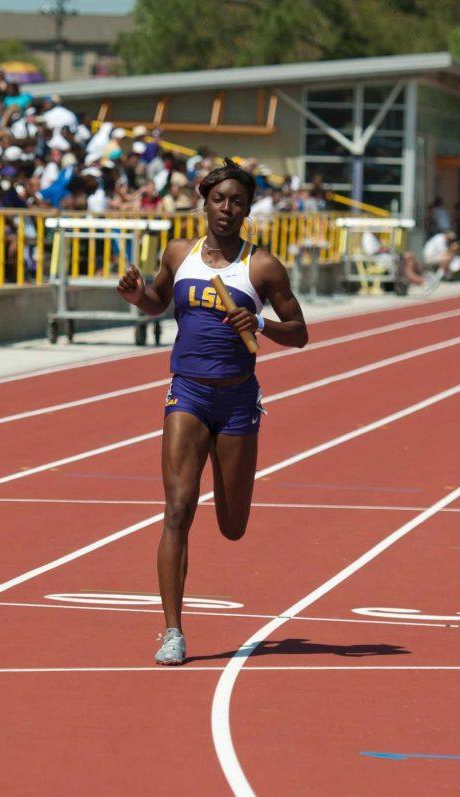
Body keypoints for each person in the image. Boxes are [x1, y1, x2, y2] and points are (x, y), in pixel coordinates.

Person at [115, 159, 309, 665]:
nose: (227, 208)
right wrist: (138, 295)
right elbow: (158, 300)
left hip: (239, 399)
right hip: (189, 393)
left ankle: (230, 496)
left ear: (248, 209)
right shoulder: (180, 253)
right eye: (219, 199)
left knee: (232, 523)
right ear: (204, 201)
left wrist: (261, 324)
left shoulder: (262, 266)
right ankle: (172, 632)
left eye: (237, 201)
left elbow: (301, 333)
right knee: (177, 509)